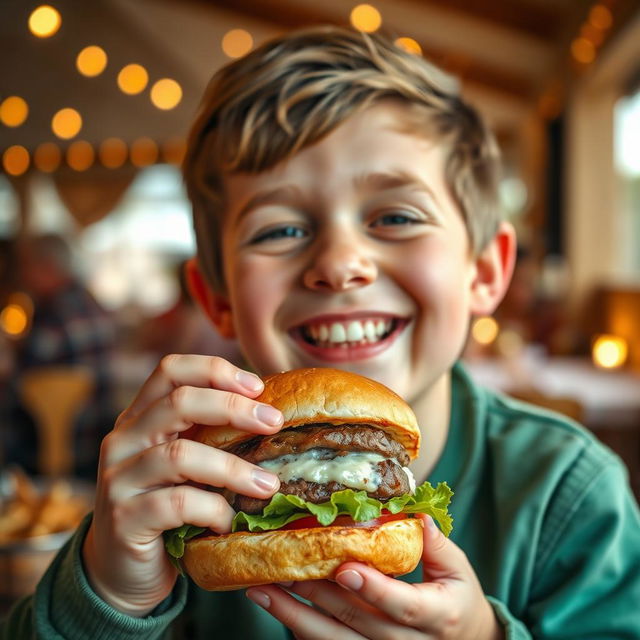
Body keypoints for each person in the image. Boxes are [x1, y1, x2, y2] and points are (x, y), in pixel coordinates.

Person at [2, 26, 639, 639]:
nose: (338, 264)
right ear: (216, 299)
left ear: (484, 271)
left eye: (394, 216)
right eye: (279, 230)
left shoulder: (571, 494)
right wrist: (107, 597)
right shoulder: (174, 487)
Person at [2, 233, 117, 479]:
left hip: (42, 452)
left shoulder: (52, 318)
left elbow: (21, 384)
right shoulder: (95, 306)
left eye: (26, 267)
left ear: (47, 267)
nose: (22, 275)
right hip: (95, 449)